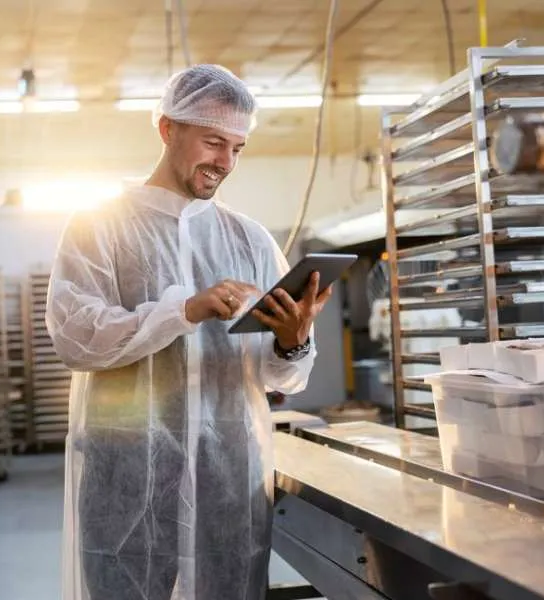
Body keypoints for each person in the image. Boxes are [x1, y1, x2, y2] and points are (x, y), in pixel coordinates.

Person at [45, 64, 333, 600]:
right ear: (167, 129)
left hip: (228, 479)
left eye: (238, 148)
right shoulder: (99, 225)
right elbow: (76, 336)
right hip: (126, 481)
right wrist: (185, 310)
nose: (225, 162)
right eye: (213, 142)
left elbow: (278, 377)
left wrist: (294, 339)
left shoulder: (248, 239)